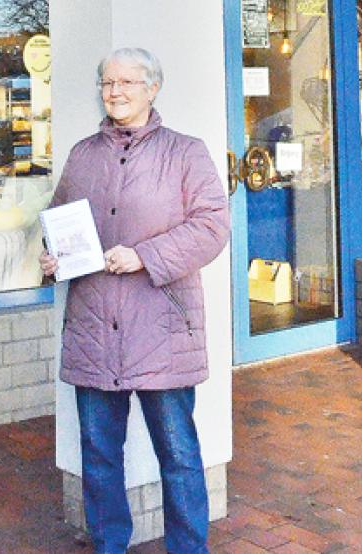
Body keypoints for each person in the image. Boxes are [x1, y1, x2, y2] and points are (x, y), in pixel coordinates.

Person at [40, 47, 229, 553]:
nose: (115, 91)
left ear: (152, 88)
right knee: (100, 454)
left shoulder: (186, 152)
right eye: (107, 83)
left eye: (126, 82)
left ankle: (189, 548)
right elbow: (58, 222)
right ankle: (109, 545)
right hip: (94, 330)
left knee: (179, 454)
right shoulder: (83, 154)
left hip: (161, 332)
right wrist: (51, 257)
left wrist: (146, 255)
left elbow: (213, 227)